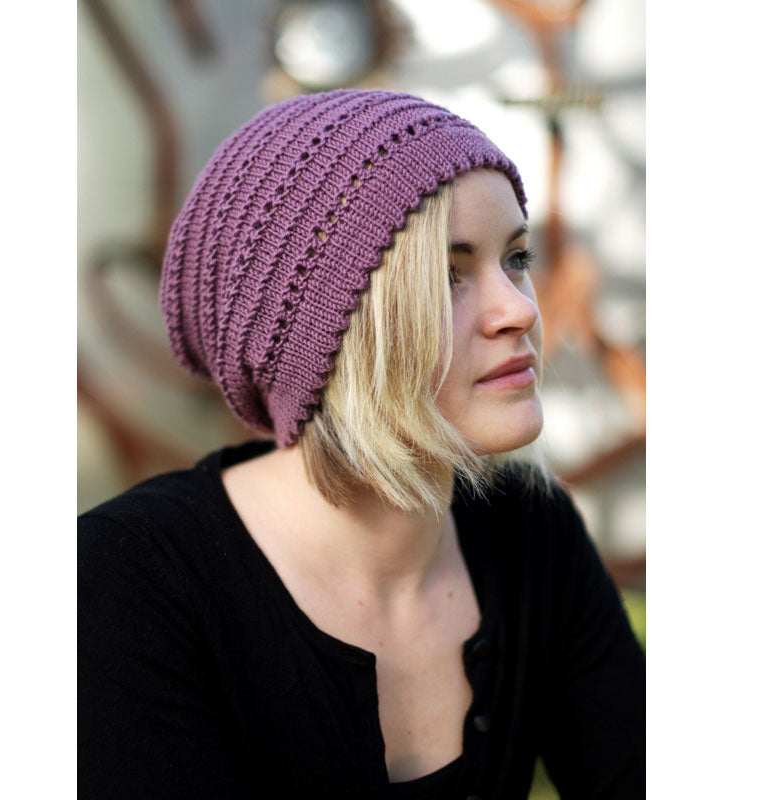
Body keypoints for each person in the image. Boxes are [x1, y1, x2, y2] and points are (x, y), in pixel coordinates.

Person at [78, 89, 645, 799]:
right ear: (327, 338)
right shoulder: (128, 584)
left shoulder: (527, 528)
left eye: (516, 257)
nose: (520, 310)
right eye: (447, 275)